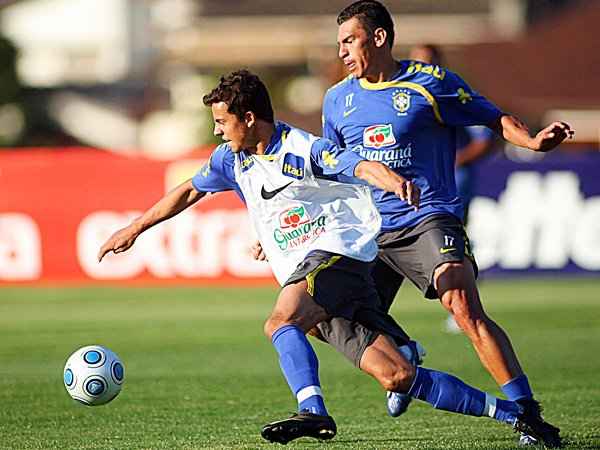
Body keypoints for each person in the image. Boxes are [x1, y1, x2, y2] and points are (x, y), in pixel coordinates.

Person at [98, 70, 561, 447]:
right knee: (397, 377)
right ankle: (517, 417)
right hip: (311, 265)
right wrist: (134, 229)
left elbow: (355, 165)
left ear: (249, 117)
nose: (216, 130)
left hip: (338, 253)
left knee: (281, 321)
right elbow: (186, 192)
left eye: (222, 121)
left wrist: (391, 181)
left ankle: (313, 411)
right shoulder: (229, 160)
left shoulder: (302, 149)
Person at [318, 0, 572, 445]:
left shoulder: (429, 83)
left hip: (426, 217)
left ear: (378, 38)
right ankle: (403, 349)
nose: (341, 51)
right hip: (368, 230)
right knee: (315, 312)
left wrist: (532, 141)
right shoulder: (337, 99)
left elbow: (492, 117)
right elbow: (332, 165)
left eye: (349, 41)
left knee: (461, 304)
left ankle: (529, 412)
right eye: (339, 42)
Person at [408, 43, 496, 335]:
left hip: (453, 184)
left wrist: (455, 159)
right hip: (416, 186)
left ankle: (464, 307)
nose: (422, 66)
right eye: (418, 60)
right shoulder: (402, 95)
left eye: (428, 61)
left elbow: (484, 137)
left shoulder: (450, 92)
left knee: (455, 244)